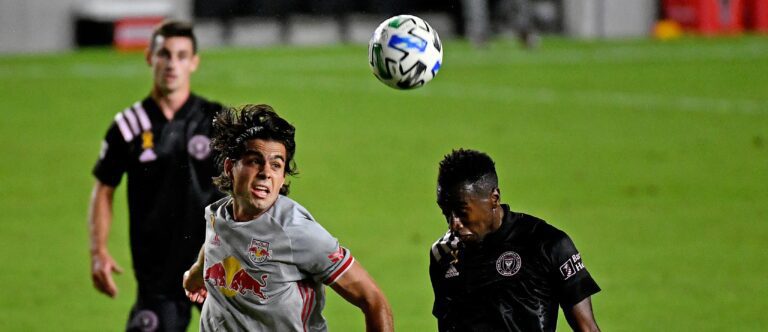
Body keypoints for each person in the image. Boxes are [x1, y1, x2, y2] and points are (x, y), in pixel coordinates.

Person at [182, 104, 394, 331]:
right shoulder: (217, 215)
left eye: (276, 165)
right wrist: (195, 275)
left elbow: (373, 300)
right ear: (229, 167)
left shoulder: (296, 232)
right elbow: (218, 241)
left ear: (282, 178)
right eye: (254, 160)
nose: (265, 172)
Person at [88, 20, 224, 331]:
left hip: (216, 267)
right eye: (165, 54)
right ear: (150, 57)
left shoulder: (216, 121)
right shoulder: (128, 126)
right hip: (159, 276)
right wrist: (99, 251)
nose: (172, 64)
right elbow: (104, 187)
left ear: (194, 62)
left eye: (181, 55)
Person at [429, 149, 601, 331]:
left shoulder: (547, 243)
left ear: (493, 198)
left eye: (463, 213)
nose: (453, 224)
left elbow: (587, 328)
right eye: (446, 212)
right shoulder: (444, 253)